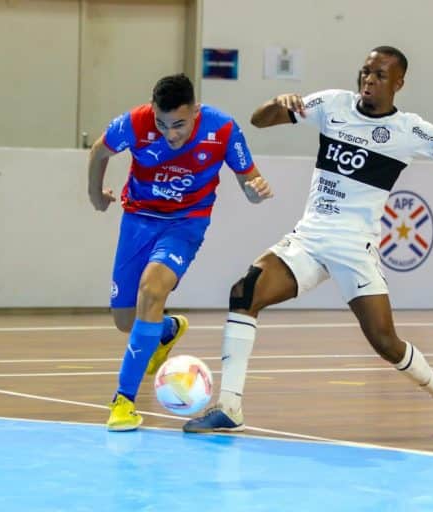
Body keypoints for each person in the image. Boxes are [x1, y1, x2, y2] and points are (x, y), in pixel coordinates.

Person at [183, 46, 433, 433]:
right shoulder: (331, 104)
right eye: (365, 71)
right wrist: (277, 102)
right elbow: (260, 120)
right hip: (311, 239)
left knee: (385, 342)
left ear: (399, 83)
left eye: (380, 75)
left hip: (354, 249)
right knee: (245, 292)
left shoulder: (408, 130)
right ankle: (230, 407)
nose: (369, 80)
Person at [87, 73, 273, 431]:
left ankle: (122, 402)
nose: (170, 134)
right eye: (162, 124)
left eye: (179, 125)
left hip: (185, 225)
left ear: (196, 111)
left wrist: (255, 191)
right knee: (126, 320)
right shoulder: (135, 123)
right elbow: (99, 151)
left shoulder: (222, 130)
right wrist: (95, 195)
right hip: (138, 220)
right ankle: (168, 329)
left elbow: (249, 179)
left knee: (151, 290)